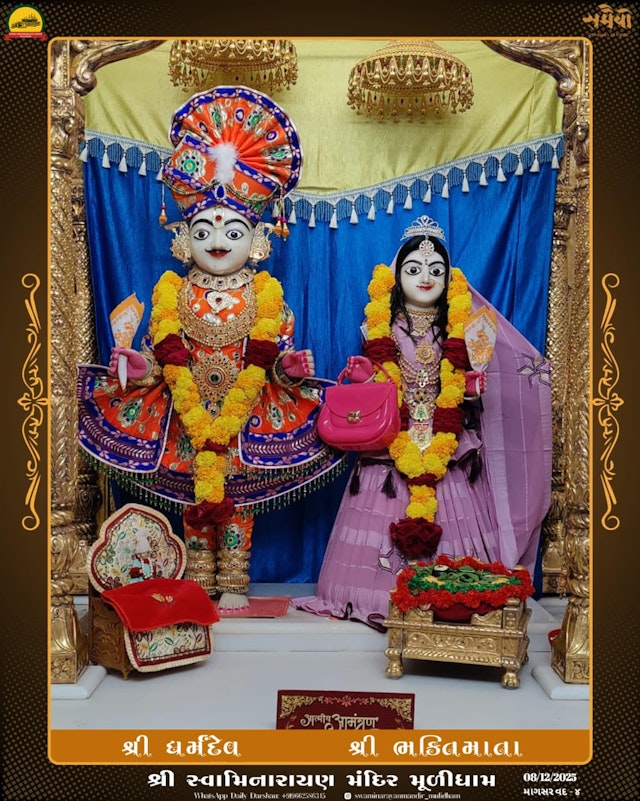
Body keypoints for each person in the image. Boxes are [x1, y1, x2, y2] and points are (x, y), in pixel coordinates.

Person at [77, 85, 345, 610]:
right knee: (194, 497)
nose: (217, 240)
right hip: (185, 415)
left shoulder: (267, 297)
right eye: (203, 231)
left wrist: (289, 369)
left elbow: (274, 358)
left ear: (257, 240)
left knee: (238, 499)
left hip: (247, 416)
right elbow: (162, 360)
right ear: (183, 240)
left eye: (232, 231)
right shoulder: (171, 295)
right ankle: (199, 581)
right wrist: (140, 364)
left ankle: (236, 584)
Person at [294, 215, 552, 630]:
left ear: (450, 280)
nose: (425, 277)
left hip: (447, 443)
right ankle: (377, 598)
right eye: (414, 269)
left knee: (454, 532)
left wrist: (470, 390)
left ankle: (449, 598)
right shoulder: (377, 326)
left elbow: (467, 389)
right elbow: (380, 387)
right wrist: (366, 377)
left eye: (436, 270)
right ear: (397, 278)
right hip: (392, 442)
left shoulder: (462, 329)